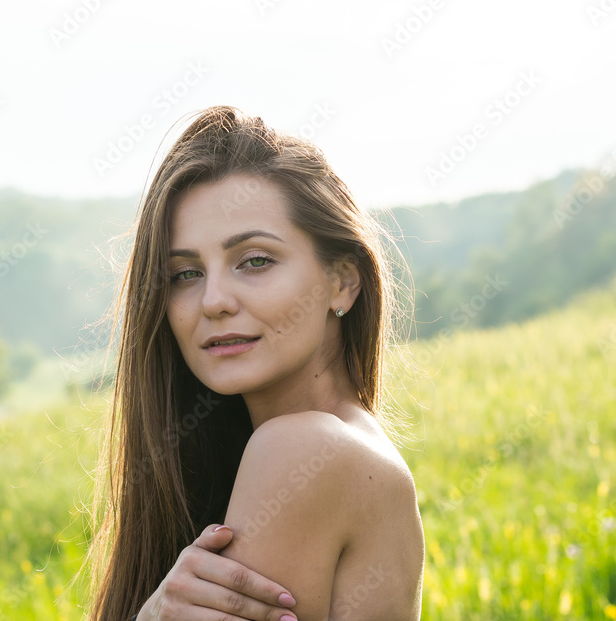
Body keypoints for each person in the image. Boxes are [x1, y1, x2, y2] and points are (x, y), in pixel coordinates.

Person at [82, 105, 424, 620]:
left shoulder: (303, 449)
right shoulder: (347, 444)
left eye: (255, 261)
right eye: (184, 274)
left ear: (342, 281)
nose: (213, 300)